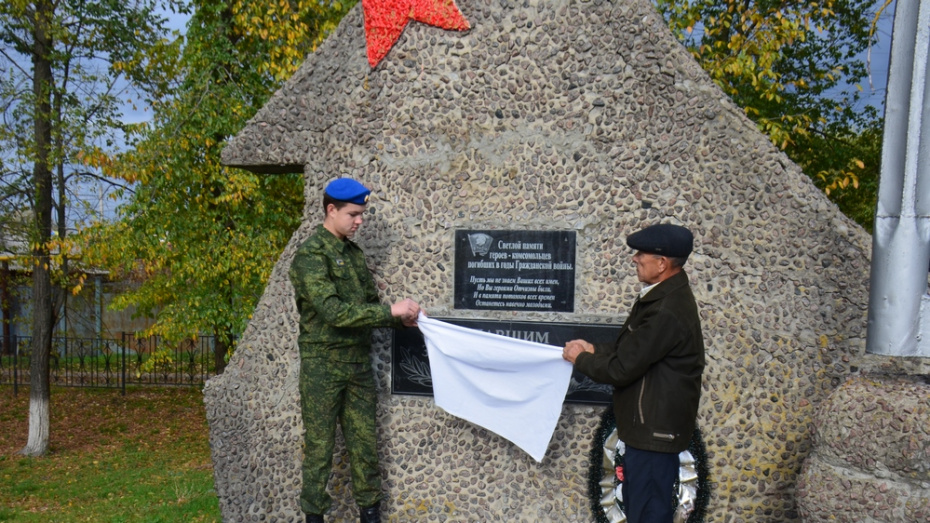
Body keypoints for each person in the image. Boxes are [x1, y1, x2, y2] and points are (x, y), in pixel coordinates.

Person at [289, 178, 420, 523]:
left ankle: (371, 514)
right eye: (353, 214)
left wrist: (401, 320)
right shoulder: (310, 256)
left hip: (357, 367)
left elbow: (370, 306)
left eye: (361, 214)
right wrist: (389, 312)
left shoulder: (353, 254)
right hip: (323, 369)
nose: (359, 221)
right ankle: (314, 516)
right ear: (331, 210)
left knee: (365, 448)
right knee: (319, 450)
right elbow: (333, 313)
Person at [562, 223, 704, 523]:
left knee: (648, 513)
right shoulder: (661, 297)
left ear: (662, 263)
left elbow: (622, 368)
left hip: (654, 432)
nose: (634, 258)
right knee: (643, 508)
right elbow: (633, 348)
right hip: (651, 429)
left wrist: (582, 359)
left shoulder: (666, 309)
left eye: (641, 253)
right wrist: (593, 349)